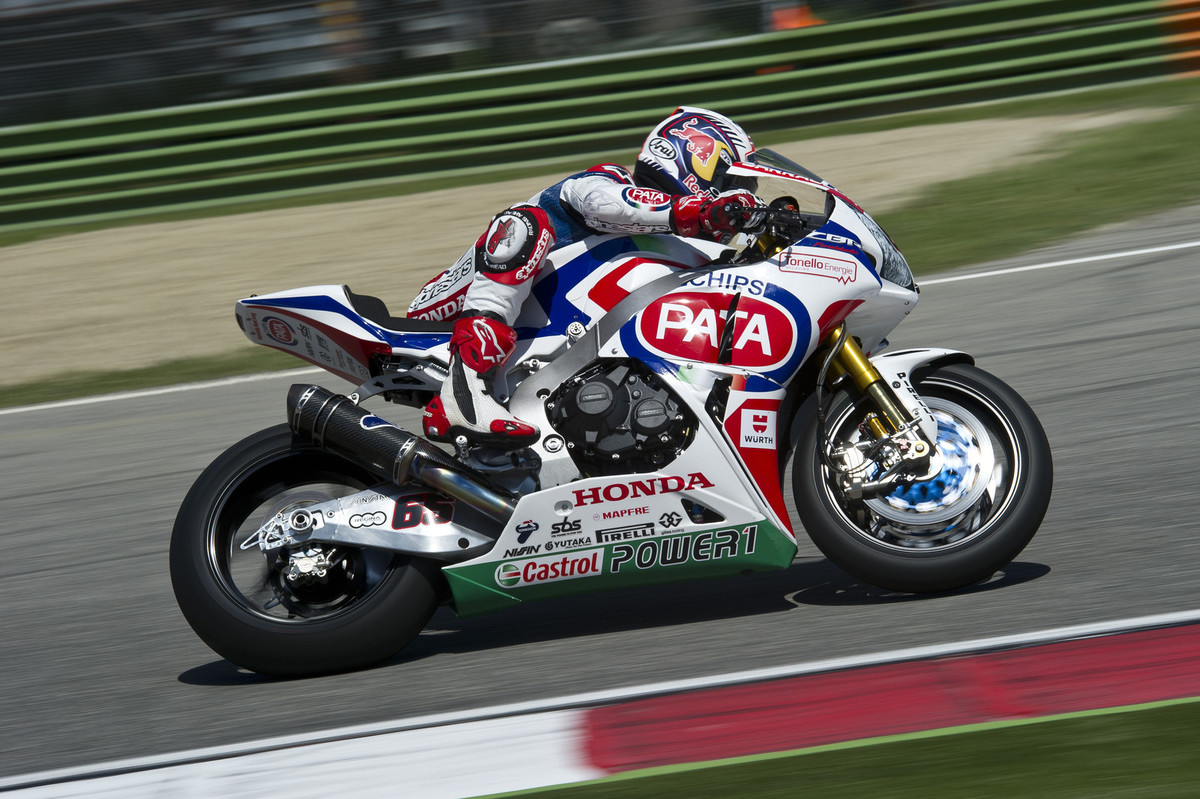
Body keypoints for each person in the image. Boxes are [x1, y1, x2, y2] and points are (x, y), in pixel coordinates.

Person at [408, 106, 765, 447]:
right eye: (733, 182)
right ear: (696, 160)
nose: (740, 195)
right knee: (524, 223)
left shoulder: (681, 247)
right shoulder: (606, 181)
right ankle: (463, 392)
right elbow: (610, 205)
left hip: (547, 338)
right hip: (448, 305)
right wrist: (700, 210)